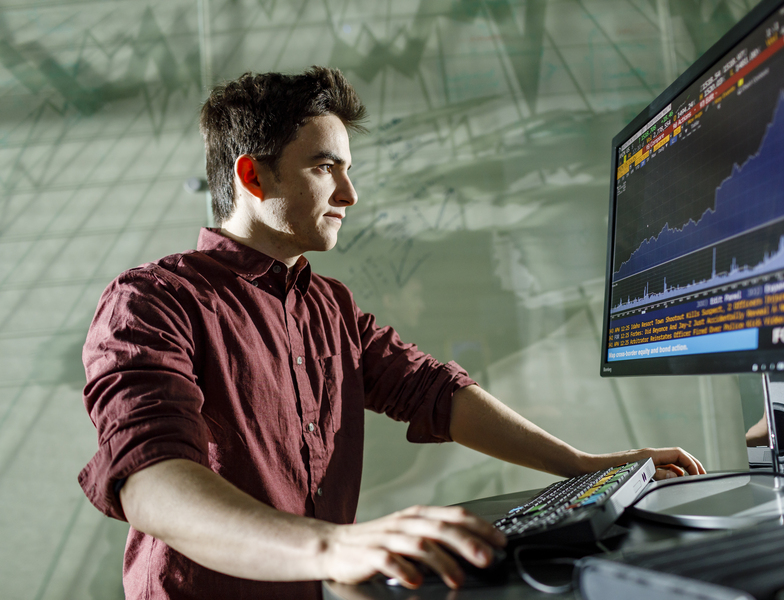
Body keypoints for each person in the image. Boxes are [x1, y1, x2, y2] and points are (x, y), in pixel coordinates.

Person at [78, 67, 705, 600]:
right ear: (252, 177)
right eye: (325, 168)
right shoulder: (152, 301)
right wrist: (334, 546)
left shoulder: (329, 305)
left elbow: (433, 391)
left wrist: (586, 468)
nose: (349, 193)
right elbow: (150, 480)